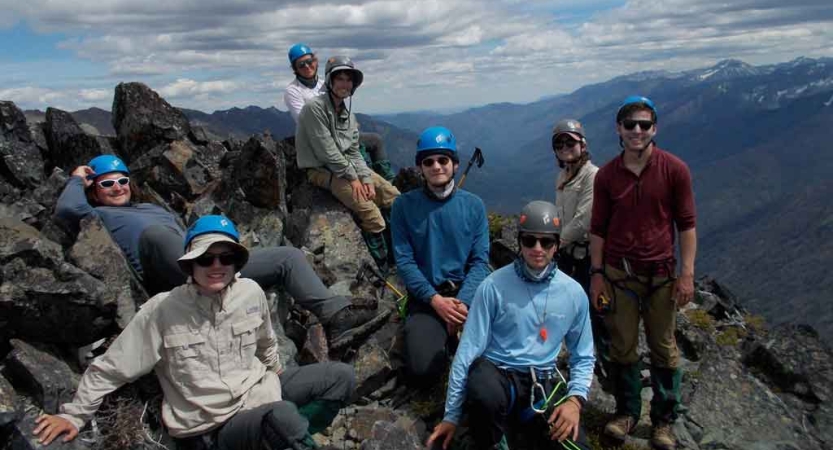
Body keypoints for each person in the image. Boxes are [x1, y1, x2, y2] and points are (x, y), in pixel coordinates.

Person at [33, 215, 349, 450]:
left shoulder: (250, 293)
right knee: (282, 418)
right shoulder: (163, 310)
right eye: (205, 258)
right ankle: (290, 437)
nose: (216, 265)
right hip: (211, 426)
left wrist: (276, 369)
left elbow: (265, 341)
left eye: (226, 257)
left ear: (237, 262)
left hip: (258, 391)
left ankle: (288, 438)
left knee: (341, 378)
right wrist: (74, 416)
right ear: (189, 264)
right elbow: (111, 368)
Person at [55, 155, 380, 344]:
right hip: (175, 277)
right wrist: (76, 178)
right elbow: (66, 210)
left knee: (288, 256)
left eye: (122, 180)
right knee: (157, 236)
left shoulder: (148, 208)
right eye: (107, 183)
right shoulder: (95, 214)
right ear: (94, 191)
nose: (117, 188)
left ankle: (332, 313)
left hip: (206, 263)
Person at [426, 201, 595, 450]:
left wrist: (575, 402)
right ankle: (491, 438)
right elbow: (467, 352)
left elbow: (583, 354)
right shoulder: (493, 286)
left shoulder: (573, 293)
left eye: (546, 241)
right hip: (498, 376)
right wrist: (451, 415)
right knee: (484, 393)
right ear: (519, 242)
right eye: (529, 241)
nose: (537, 248)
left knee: (575, 445)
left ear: (557, 245)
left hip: (543, 383)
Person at [589, 95, 697, 450]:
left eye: (644, 125)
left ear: (655, 128)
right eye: (630, 124)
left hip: (662, 277)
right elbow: (599, 228)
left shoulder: (674, 170)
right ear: (619, 129)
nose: (637, 131)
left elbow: (686, 225)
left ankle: (663, 422)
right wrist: (597, 274)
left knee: (664, 348)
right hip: (620, 276)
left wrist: (687, 275)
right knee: (622, 347)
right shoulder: (606, 175)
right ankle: (627, 413)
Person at [390, 126, 490, 388]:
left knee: (493, 366)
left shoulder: (474, 206)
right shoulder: (403, 206)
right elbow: (405, 262)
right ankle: (444, 343)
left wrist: (461, 304)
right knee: (423, 371)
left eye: (443, 160)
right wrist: (436, 302)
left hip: (466, 299)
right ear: (420, 168)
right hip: (428, 300)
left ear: (455, 165)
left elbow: (480, 262)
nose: (436, 166)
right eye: (429, 161)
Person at [295, 56, 400, 271]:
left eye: (348, 79)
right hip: (319, 170)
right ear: (330, 81)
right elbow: (327, 153)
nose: (345, 84)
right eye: (340, 78)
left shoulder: (348, 115)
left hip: (343, 166)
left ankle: (398, 253)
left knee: (393, 197)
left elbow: (353, 151)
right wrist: (354, 179)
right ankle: (381, 264)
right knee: (371, 212)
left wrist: (367, 178)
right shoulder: (314, 108)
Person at [551, 119, 610, 385]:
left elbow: (584, 220)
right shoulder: (563, 176)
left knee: (596, 314)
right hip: (568, 255)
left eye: (570, 142)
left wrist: (556, 242)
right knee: (572, 309)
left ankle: (605, 366)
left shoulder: (592, 176)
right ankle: (579, 357)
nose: (565, 147)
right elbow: (563, 216)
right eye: (559, 143)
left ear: (582, 144)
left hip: (588, 256)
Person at [283, 44, 395, 181]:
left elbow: (341, 110)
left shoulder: (326, 83)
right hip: (319, 137)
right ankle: (370, 179)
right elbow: (304, 120)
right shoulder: (293, 90)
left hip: (338, 132)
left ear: (316, 61)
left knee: (375, 140)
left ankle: (387, 180)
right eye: (301, 64)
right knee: (357, 148)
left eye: (309, 61)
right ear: (295, 69)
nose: (307, 66)